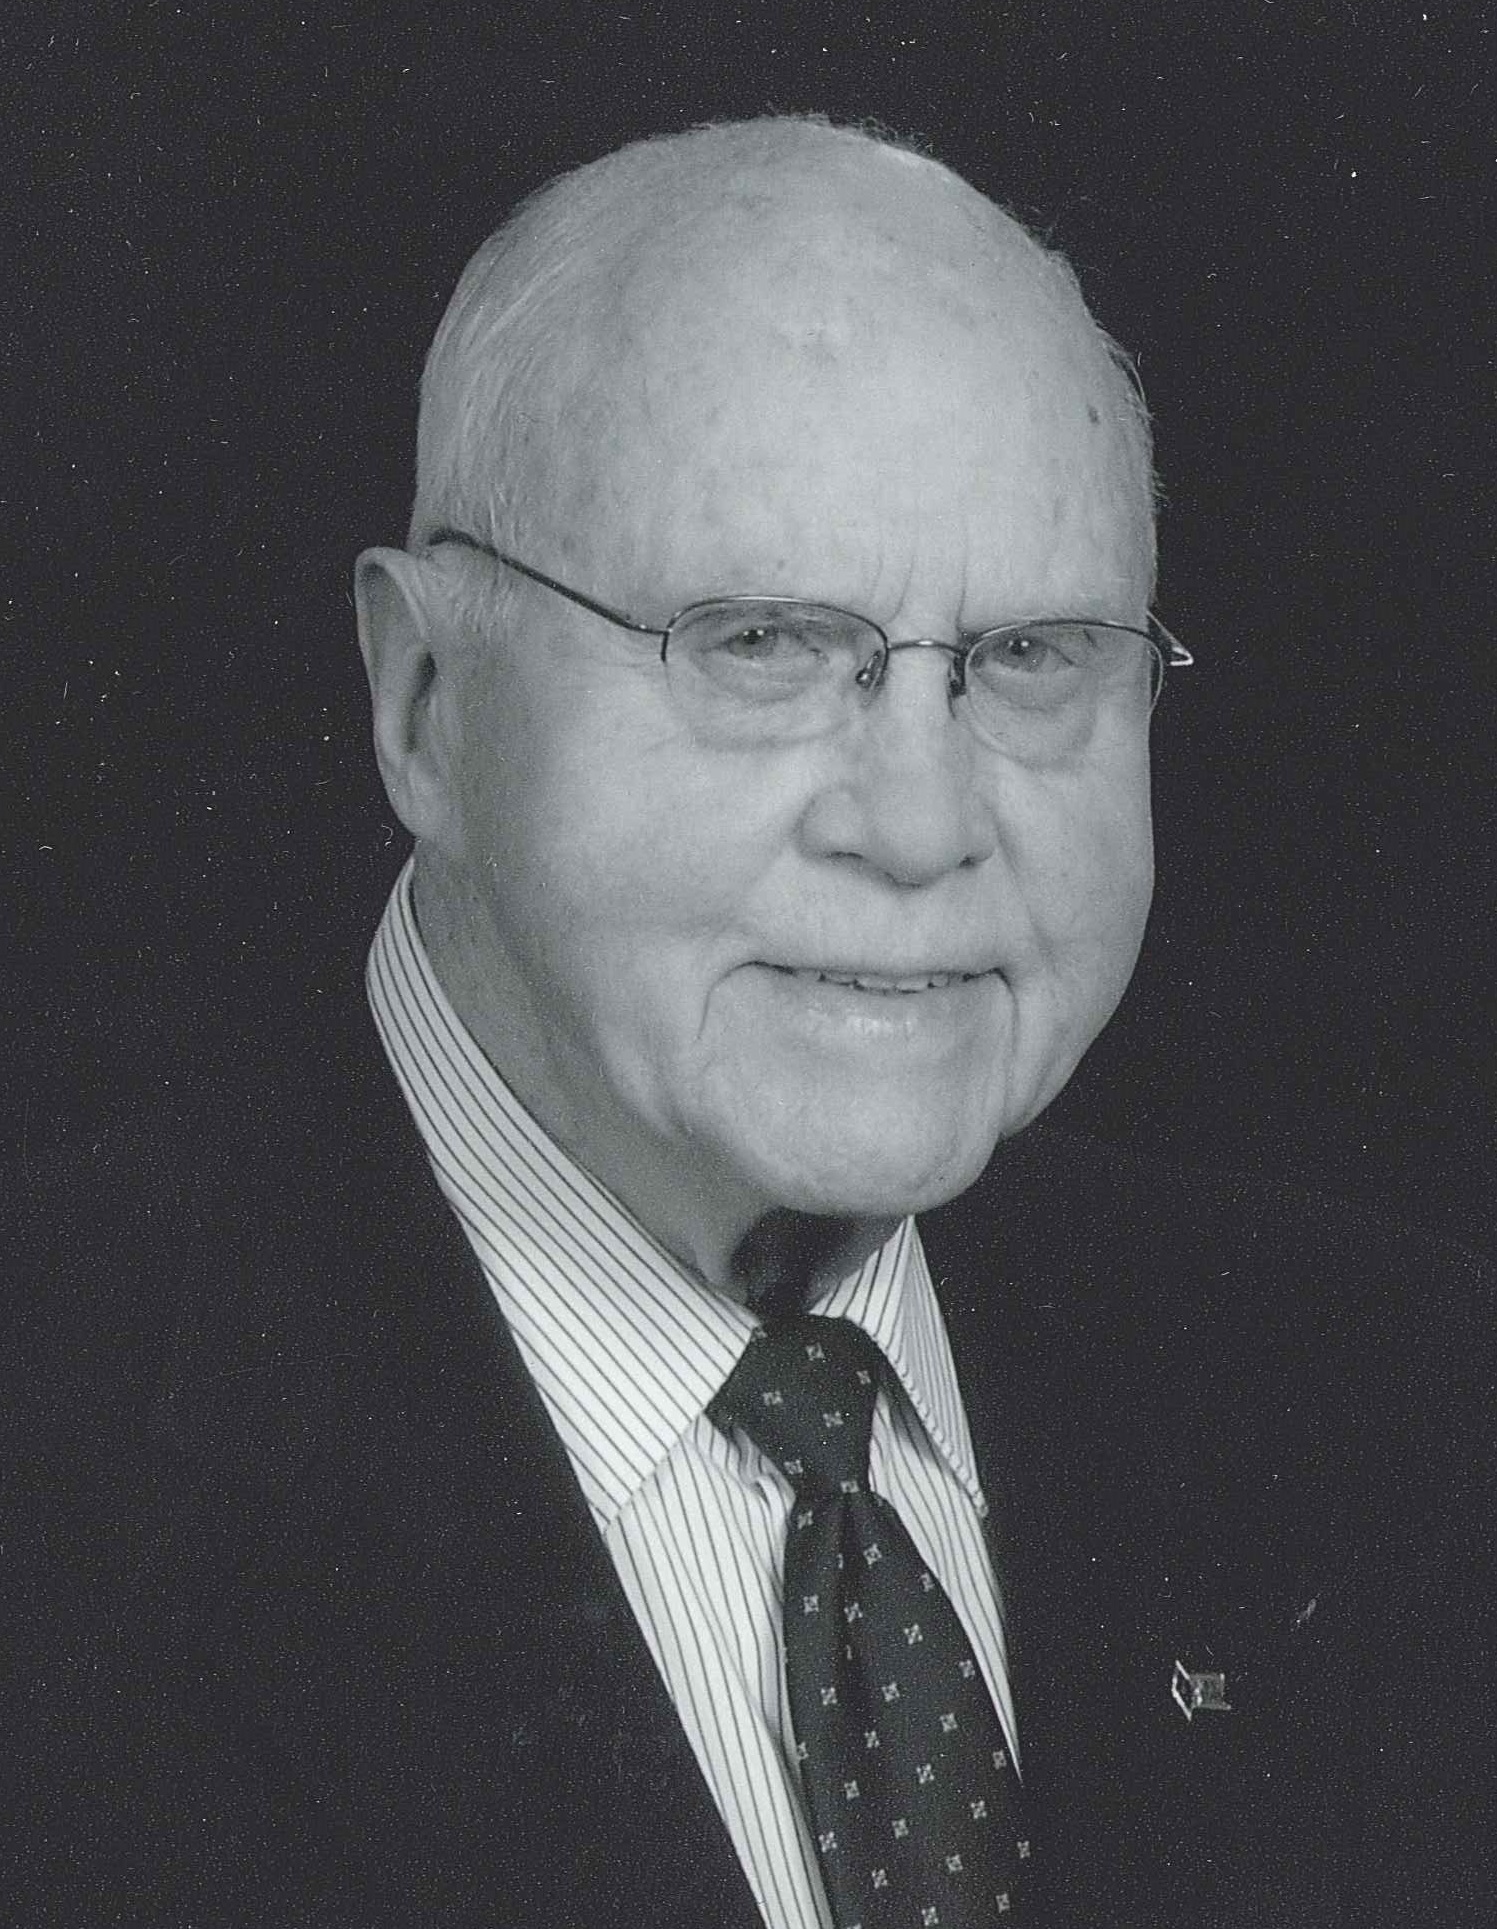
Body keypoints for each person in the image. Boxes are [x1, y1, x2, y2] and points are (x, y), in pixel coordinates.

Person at [6, 116, 1491, 1927]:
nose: (920, 825)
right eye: (763, 646)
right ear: (424, 702)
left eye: (1030, 657)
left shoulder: (1414, 1408)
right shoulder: (57, 1456)